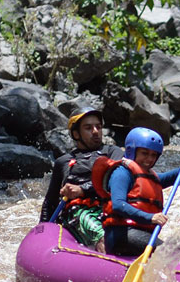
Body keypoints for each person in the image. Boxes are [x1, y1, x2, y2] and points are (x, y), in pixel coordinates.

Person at [93, 127, 180, 256]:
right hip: (122, 234)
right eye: (144, 153)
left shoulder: (153, 177)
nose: (149, 159)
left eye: (153, 155)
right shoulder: (122, 173)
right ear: (132, 151)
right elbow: (118, 205)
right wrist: (150, 217)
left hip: (141, 235)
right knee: (172, 253)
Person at [40, 107, 123, 252]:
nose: (96, 131)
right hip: (79, 212)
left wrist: (81, 190)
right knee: (104, 237)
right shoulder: (63, 161)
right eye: (88, 128)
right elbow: (50, 202)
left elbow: (111, 177)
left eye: (98, 126)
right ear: (76, 133)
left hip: (110, 207)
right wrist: (42, 234)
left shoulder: (113, 152)